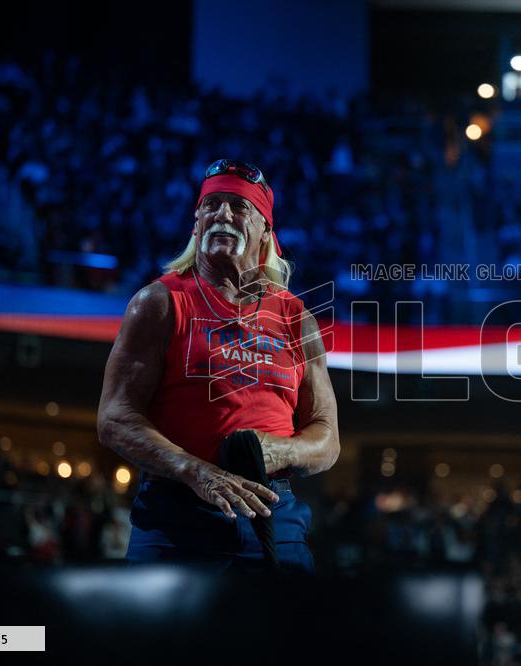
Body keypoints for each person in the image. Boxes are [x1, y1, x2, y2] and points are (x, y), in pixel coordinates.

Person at [97, 159, 340, 572]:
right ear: (196, 223)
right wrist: (197, 471)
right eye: (212, 205)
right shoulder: (159, 302)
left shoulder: (297, 319)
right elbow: (115, 419)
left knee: (289, 638)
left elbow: (327, 439)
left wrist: (273, 450)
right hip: (177, 520)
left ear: (266, 230)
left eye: (239, 206)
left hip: (274, 517)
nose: (222, 215)